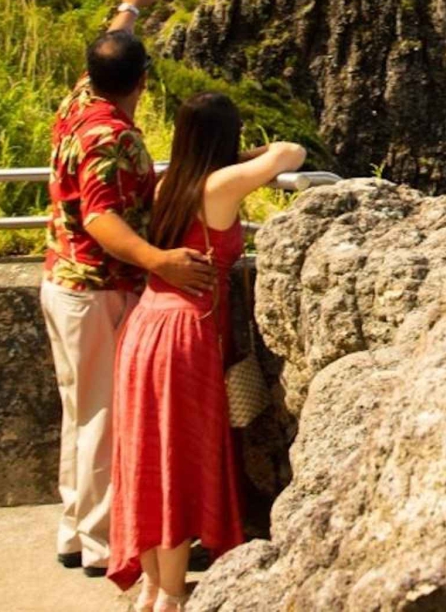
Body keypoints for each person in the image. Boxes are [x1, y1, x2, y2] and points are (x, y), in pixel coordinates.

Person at [40, 0, 217, 578]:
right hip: (97, 288)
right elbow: (101, 220)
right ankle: (104, 544)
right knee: (105, 418)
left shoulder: (81, 97)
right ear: (142, 81)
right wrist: (159, 260)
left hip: (63, 281)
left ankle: (75, 531)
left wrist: (129, 9)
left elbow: (110, 51)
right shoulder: (110, 137)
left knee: (80, 411)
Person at [108, 92, 306, 610]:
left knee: (148, 457)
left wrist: (229, 157)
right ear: (227, 137)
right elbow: (291, 154)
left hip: (146, 325)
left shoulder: (170, 181)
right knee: (177, 462)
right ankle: (173, 596)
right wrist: (252, 155)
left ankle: (152, 588)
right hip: (185, 335)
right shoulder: (220, 186)